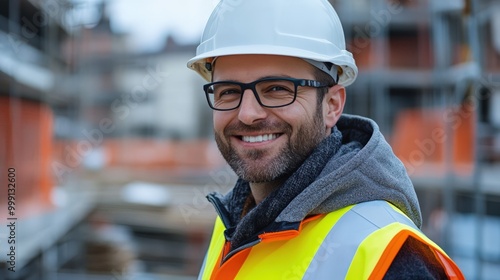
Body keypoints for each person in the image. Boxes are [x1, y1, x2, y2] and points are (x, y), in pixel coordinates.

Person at [187, 0, 465, 279]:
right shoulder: (233, 226)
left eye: (276, 89)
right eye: (228, 91)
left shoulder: (391, 258)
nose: (247, 114)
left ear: (332, 104)